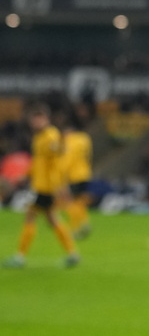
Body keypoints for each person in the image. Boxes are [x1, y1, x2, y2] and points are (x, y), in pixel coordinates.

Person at [3, 104, 80, 268]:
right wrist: (27, 174)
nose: (36, 123)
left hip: (47, 187)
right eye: (34, 120)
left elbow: (57, 157)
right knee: (52, 219)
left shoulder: (50, 136)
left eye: (39, 120)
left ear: (46, 120)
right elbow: (38, 161)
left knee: (31, 216)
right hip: (42, 185)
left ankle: (20, 257)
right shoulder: (38, 137)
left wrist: (60, 184)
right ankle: (72, 254)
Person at [60, 113, 94, 240]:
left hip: (73, 175)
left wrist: (61, 175)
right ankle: (84, 222)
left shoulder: (70, 141)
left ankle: (76, 227)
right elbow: (89, 156)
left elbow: (68, 159)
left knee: (70, 202)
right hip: (85, 173)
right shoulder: (85, 139)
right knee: (80, 200)